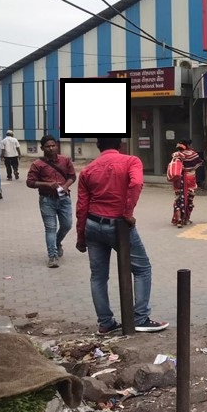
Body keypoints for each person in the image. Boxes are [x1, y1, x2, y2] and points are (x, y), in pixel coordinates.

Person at [75, 137, 169, 334]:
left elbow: (82, 206)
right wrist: (127, 213)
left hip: (92, 224)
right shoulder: (131, 161)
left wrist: (81, 237)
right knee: (142, 269)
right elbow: (136, 183)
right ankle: (140, 318)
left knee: (98, 276)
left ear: (98, 145)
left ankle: (105, 323)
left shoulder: (87, 170)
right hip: (118, 225)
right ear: (120, 145)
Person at [26, 135, 77, 269]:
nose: (51, 148)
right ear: (42, 148)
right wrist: (47, 184)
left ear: (57, 146)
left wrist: (65, 186)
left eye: (53, 145)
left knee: (67, 225)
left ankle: (57, 242)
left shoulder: (65, 160)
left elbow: (72, 176)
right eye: (47, 146)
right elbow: (30, 182)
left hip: (64, 198)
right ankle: (52, 256)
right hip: (46, 200)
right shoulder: (37, 164)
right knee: (50, 228)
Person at [170, 139, 203, 228]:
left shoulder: (176, 155)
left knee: (178, 198)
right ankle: (186, 218)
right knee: (189, 198)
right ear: (188, 145)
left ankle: (178, 219)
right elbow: (199, 163)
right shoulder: (192, 154)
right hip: (190, 178)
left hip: (178, 179)